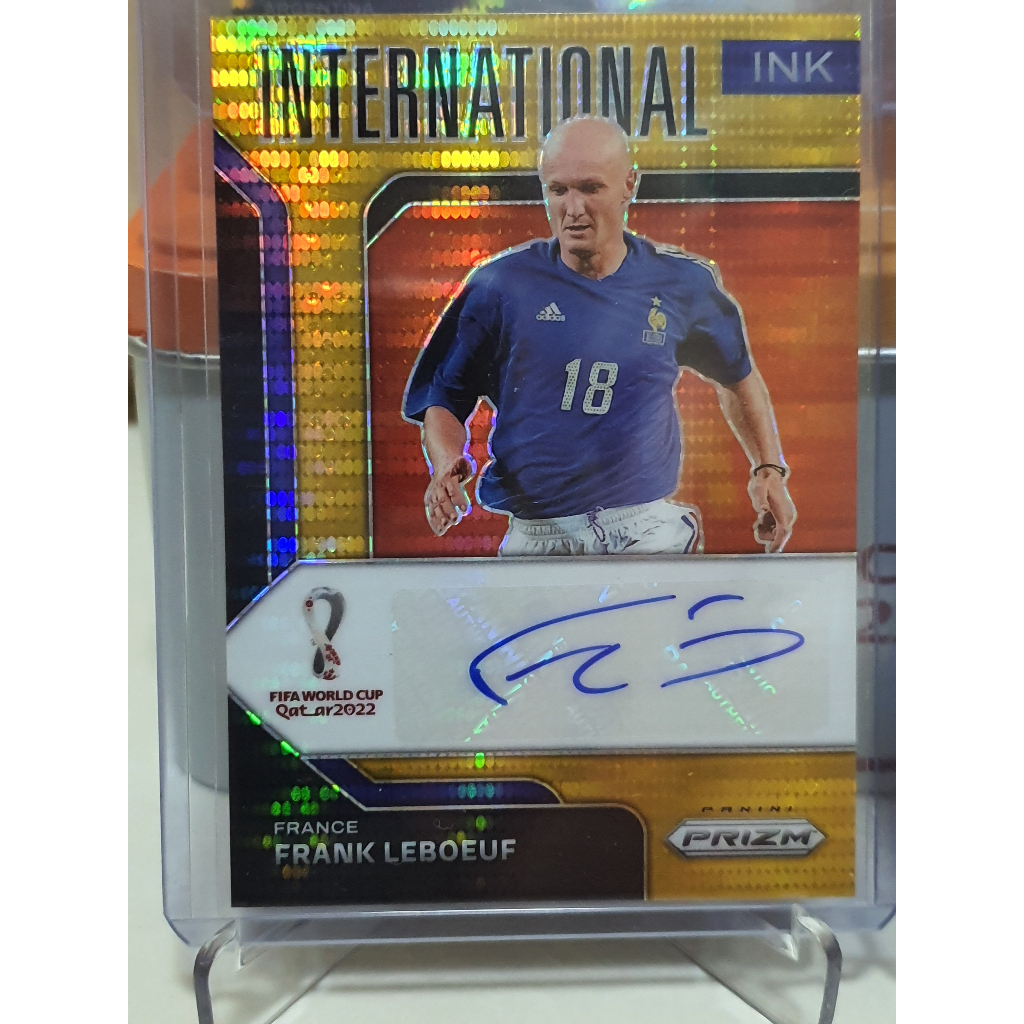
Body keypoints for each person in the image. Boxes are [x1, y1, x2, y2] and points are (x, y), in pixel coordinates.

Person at [402, 116, 796, 555]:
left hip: (643, 528)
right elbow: (443, 396)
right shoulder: (501, 286)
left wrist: (768, 469)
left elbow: (737, 378)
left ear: (629, 185)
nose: (573, 208)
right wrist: (444, 463)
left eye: (590, 188)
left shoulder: (681, 284)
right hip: (538, 534)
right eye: (558, 190)